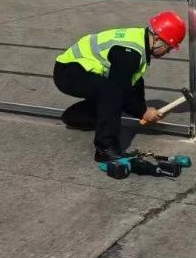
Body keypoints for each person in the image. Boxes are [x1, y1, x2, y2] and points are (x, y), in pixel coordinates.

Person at [53, 11, 186, 163]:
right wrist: (143, 111)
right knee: (112, 92)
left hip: (77, 70)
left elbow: (133, 82)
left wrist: (141, 111)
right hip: (69, 72)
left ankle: (75, 117)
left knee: (119, 88)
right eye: (168, 47)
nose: (167, 52)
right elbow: (120, 88)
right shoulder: (130, 53)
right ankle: (105, 148)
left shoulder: (139, 42)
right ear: (156, 39)